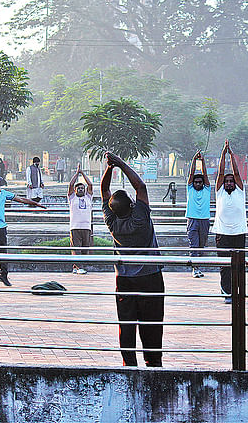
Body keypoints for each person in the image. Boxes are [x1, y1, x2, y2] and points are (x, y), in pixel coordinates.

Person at [101, 151, 164, 367]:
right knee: (152, 324)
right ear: (131, 205)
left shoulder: (112, 223)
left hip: (124, 280)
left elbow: (103, 190)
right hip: (150, 277)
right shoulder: (140, 219)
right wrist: (120, 163)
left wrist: (110, 169)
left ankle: (129, 364)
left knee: (126, 325)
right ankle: (153, 362)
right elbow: (141, 187)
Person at [0, 172, 45, 287]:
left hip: (0, 228)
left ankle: (3, 275)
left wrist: (35, 203)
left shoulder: (3, 193)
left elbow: (20, 199)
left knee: (2, 254)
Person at [212, 140, 246, 304]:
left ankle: (239, 291)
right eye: (227, 181)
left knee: (239, 266)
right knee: (225, 265)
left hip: (239, 232)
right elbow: (220, 174)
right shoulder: (219, 192)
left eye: (231, 181)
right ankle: (226, 292)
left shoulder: (240, 191)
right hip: (222, 233)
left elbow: (237, 174)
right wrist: (222, 155)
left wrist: (231, 155)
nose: (229, 183)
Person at [186, 150, 211, 279]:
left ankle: (198, 266)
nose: (198, 184)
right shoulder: (190, 189)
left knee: (201, 245)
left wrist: (203, 162)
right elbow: (191, 174)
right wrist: (195, 160)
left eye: (200, 182)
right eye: (196, 182)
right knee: (194, 245)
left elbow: (205, 174)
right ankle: (195, 268)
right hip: (192, 220)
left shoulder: (206, 189)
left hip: (204, 220)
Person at [68, 163, 93, 275]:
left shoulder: (88, 197)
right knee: (76, 248)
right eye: (79, 188)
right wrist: (77, 173)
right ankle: (79, 267)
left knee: (85, 248)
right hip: (75, 226)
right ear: (75, 190)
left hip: (86, 226)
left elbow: (90, 184)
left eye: (83, 188)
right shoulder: (72, 198)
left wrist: (82, 173)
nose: (81, 190)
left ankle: (76, 266)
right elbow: (70, 184)